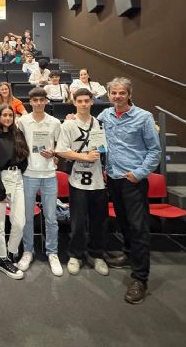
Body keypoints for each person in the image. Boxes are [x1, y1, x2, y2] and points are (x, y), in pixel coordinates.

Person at [97, 77, 161, 304]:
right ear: (109, 95)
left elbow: (155, 151)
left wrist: (139, 173)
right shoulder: (105, 115)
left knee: (138, 227)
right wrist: (73, 118)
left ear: (129, 94)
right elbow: (90, 127)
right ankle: (127, 253)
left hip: (133, 180)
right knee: (123, 222)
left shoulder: (144, 117)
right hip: (113, 178)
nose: (117, 97)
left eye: (121, 93)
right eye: (113, 93)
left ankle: (140, 278)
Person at [56, 88, 110, 279]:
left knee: (99, 222)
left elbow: (103, 149)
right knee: (78, 222)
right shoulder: (68, 125)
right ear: (74, 102)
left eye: (87, 101)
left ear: (92, 101)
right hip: (77, 180)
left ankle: (97, 255)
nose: (84, 104)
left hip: (98, 181)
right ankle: (76, 254)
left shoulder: (100, 124)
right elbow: (61, 150)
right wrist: (84, 157)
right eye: (80, 101)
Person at [15, 87, 63, 276]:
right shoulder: (22, 122)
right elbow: (17, 146)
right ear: (30, 102)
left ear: (46, 101)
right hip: (28, 174)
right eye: (35, 100)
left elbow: (61, 147)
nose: (38, 103)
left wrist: (54, 153)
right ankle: (28, 251)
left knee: (51, 217)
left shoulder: (55, 122)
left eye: (42, 100)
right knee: (27, 217)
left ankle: (53, 253)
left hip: (49, 174)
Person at [0, 104, 29, 280]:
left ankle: (11, 252)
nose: (8, 118)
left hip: (17, 178)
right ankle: (1, 259)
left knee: (19, 222)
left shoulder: (17, 133)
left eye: (10, 115)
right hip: (0, 179)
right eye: (4, 115)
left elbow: (24, 156)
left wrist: (19, 170)